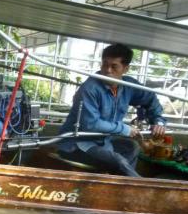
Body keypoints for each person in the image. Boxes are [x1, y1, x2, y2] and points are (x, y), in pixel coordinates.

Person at [58, 43, 166, 177]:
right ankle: (143, 189)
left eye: (114, 66)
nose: (108, 70)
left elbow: (150, 99)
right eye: (104, 64)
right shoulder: (89, 88)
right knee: (118, 161)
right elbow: (91, 124)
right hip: (77, 144)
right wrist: (125, 129)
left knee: (132, 147)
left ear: (125, 68)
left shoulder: (128, 85)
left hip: (103, 142)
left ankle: (118, 184)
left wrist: (158, 121)